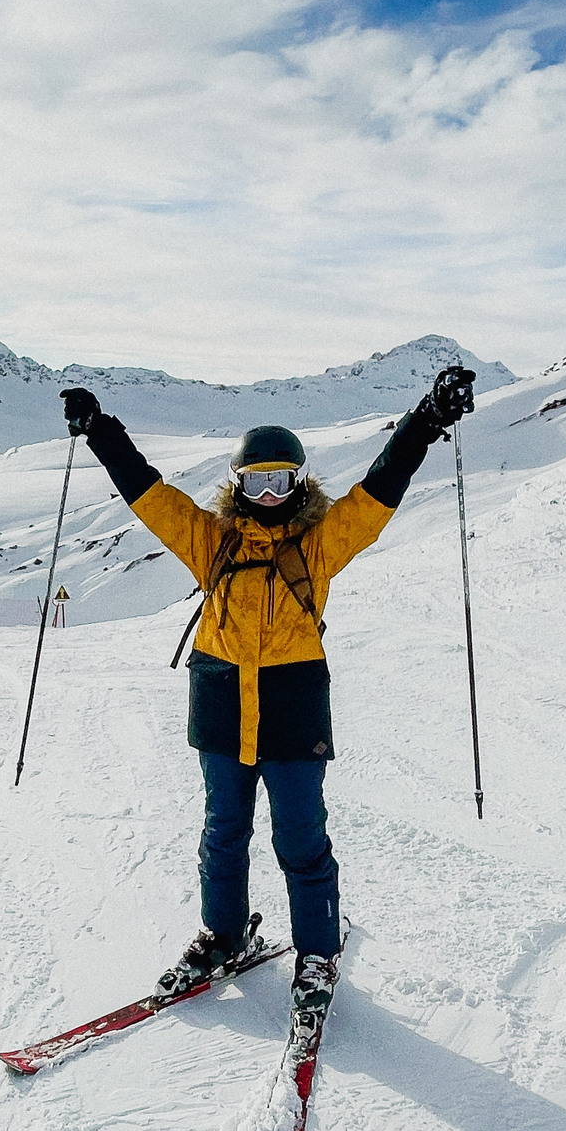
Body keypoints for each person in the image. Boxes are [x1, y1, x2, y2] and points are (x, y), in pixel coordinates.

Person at [58, 365, 476, 1032]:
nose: (271, 494)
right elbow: (150, 496)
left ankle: (316, 955)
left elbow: (376, 494)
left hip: (291, 706)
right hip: (222, 702)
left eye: (282, 480)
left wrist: (427, 419)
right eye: (257, 482)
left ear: (299, 482)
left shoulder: (319, 545)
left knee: (301, 840)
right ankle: (224, 934)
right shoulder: (212, 541)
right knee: (223, 833)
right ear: (239, 484)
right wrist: (101, 431)